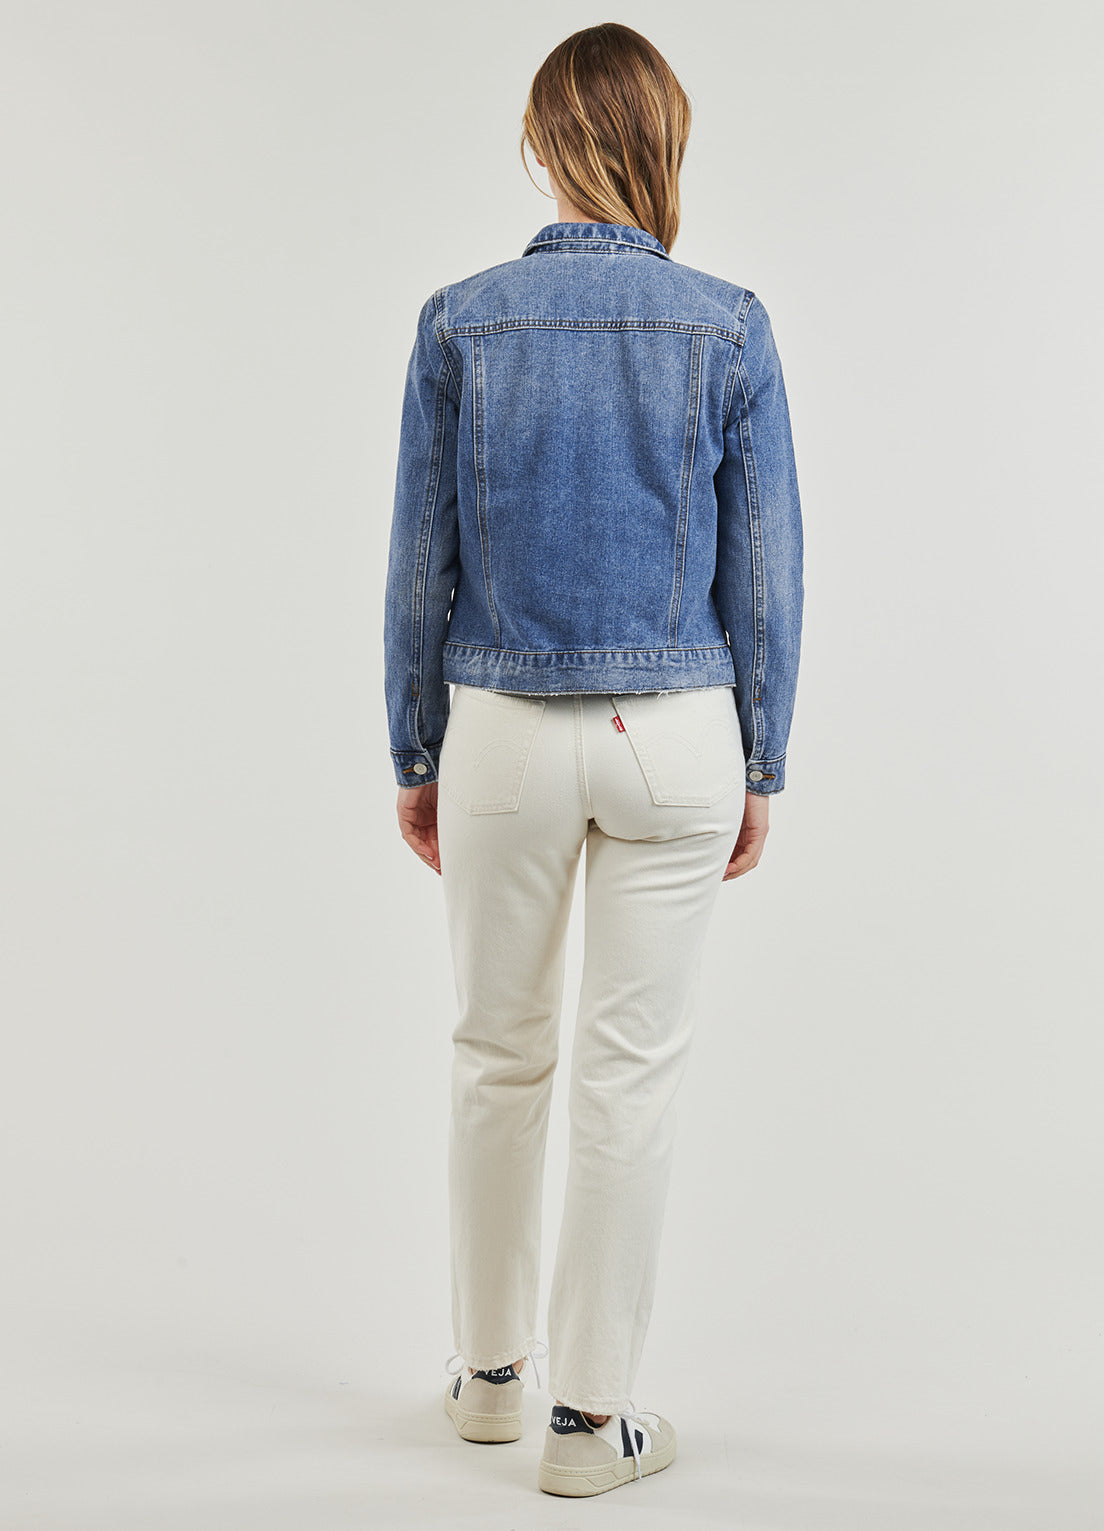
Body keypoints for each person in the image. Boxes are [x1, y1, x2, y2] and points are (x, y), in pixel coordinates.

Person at [383, 22, 804, 1498]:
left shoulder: (460, 322)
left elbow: (418, 563)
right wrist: (763, 761)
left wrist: (416, 749)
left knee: (496, 1055)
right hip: (677, 737)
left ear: (542, 142)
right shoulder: (728, 326)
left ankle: (490, 1381)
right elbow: (765, 574)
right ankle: (590, 1426)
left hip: (498, 733)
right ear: (663, 141)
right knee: (629, 1082)